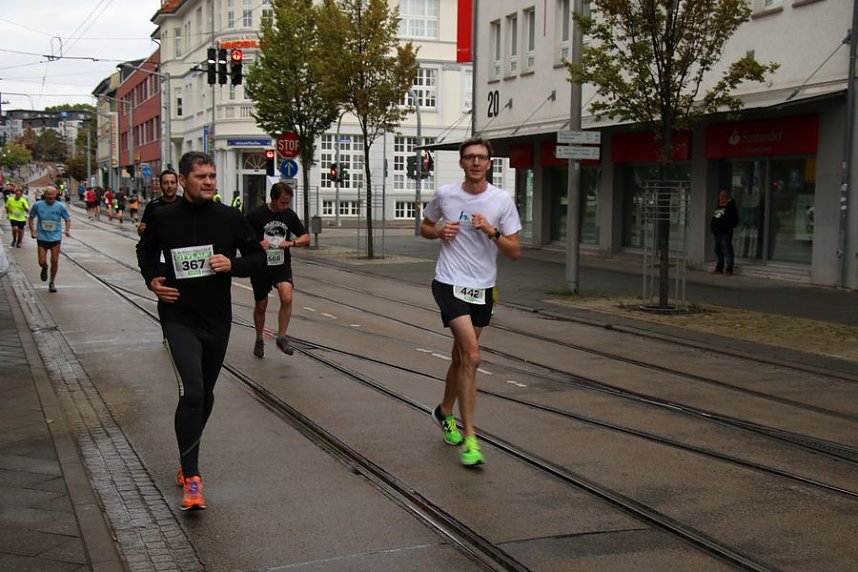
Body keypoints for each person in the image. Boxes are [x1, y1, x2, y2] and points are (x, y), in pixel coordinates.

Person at [136, 151, 264, 511]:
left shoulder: (229, 218)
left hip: (217, 320)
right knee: (192, 392)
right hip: (178, 316)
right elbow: (145, 251)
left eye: (212, 176)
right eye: (201, 177)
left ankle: (186, 458)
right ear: (183, 179)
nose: (209, 182)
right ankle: (192, 476)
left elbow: (258, 258)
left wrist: (233, 264)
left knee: (205, 395)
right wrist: (152, 280)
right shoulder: (163, 216)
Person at [420, 136, 521, 467]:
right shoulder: (446, 195)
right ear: (462, 163)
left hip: (482, 288)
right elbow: (424, 225)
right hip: (448, 283)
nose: (475, 162)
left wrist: (491, 232)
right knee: (472, 356)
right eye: (469, 157)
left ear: (490, 163)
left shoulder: (501, 200)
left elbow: (515, 252)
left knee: (461, 357)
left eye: (481, 157)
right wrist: (438, 232)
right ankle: (472, 439)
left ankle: (444, 411)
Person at [246, 182, 309, 358]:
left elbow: (305, 237)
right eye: (282, 202)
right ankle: (259, 339)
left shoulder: (289, 215)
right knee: (261, 305)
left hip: (281, 263)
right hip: (261, 265)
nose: (285, 206)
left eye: (287, 202)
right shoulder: (257, 215)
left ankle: (282, 337)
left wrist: (292, 243)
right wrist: (257, 243)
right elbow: (243, 236)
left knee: (287, 297)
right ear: (272, 199)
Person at [28, 186, 71, 293]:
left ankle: (52, 282)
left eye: (52, 197)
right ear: (45, 195)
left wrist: (67, 230)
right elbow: (30, 218)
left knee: (54, 260)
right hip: (42, 237)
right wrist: (32, 231)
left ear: (56, 195)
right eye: (48, 197)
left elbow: (67, 219)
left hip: (55, 237)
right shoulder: (38, 205)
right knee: (42, 261)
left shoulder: (60, 206)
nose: (50, 199)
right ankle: (45, 267)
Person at [138, 170, 180, 237]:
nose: (169, 186)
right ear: (160, 185)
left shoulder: (185, 203)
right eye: (165, 183)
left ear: (177, 185)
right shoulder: (152, 206)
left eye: (172, 182)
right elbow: (141, 228)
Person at [710, 188, 739, 276]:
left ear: (727, 197)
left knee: (727, 250)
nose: (721, 198)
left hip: (725, 233)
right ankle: (719, 268)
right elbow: (716, 217)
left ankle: (729, 269)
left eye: (723, 196)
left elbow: (734, 221)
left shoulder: (730, 207)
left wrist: (725, 228)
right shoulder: (719, 206)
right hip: (717, 233)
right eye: (720, 196)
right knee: (718, 251)